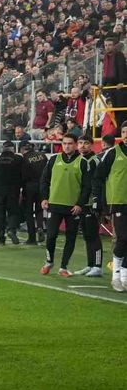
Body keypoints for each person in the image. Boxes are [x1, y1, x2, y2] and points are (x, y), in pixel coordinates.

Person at [39, 134, 91, 277]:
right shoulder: (54, 159)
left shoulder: (82, 162)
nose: (67, 146)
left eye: (70, 143)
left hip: (72, 208)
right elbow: (44, 180)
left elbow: (87, 186)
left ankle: (63, 266)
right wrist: (44, 198)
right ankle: (49, 262)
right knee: (51, 235)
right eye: (64, 143)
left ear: (75, 145)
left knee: (71, 237)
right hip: (54, 205)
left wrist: (80, 204)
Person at [93, 121, 127, 292]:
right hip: (119, 202)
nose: (126, 134)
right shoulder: (112, 153)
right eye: (124, 131)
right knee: (122, 239)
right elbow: (98, 178)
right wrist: (100, 202)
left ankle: (125, 277)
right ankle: (116, 276)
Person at [75, 135, 103, 277]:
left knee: (93, 234)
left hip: (91, 202)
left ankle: (97, 266)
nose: (82, 146)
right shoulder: (80, 160)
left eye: (86, 143)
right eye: (80, 143)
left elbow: (94, 184)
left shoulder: (94, 161)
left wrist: (97, 202)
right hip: (83, 202)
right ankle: (90, 264)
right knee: (86, 235)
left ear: (91, 145)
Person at [0, 141, 24, 245]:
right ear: (13, 149)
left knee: (0, 215)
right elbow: (23, 175)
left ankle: (0, 237)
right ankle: (11, 230)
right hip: (13, 190)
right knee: (13, 212)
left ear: (3, 148)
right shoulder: (18, 159)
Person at [20, 142, 48, 244]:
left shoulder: (25, 159)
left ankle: (31, 238)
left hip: (29, 186)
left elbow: (23, 176)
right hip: (42, 186)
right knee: (39, 209)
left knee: (28, 212)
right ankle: (40, 227)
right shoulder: (42, 156)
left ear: (22, 150)